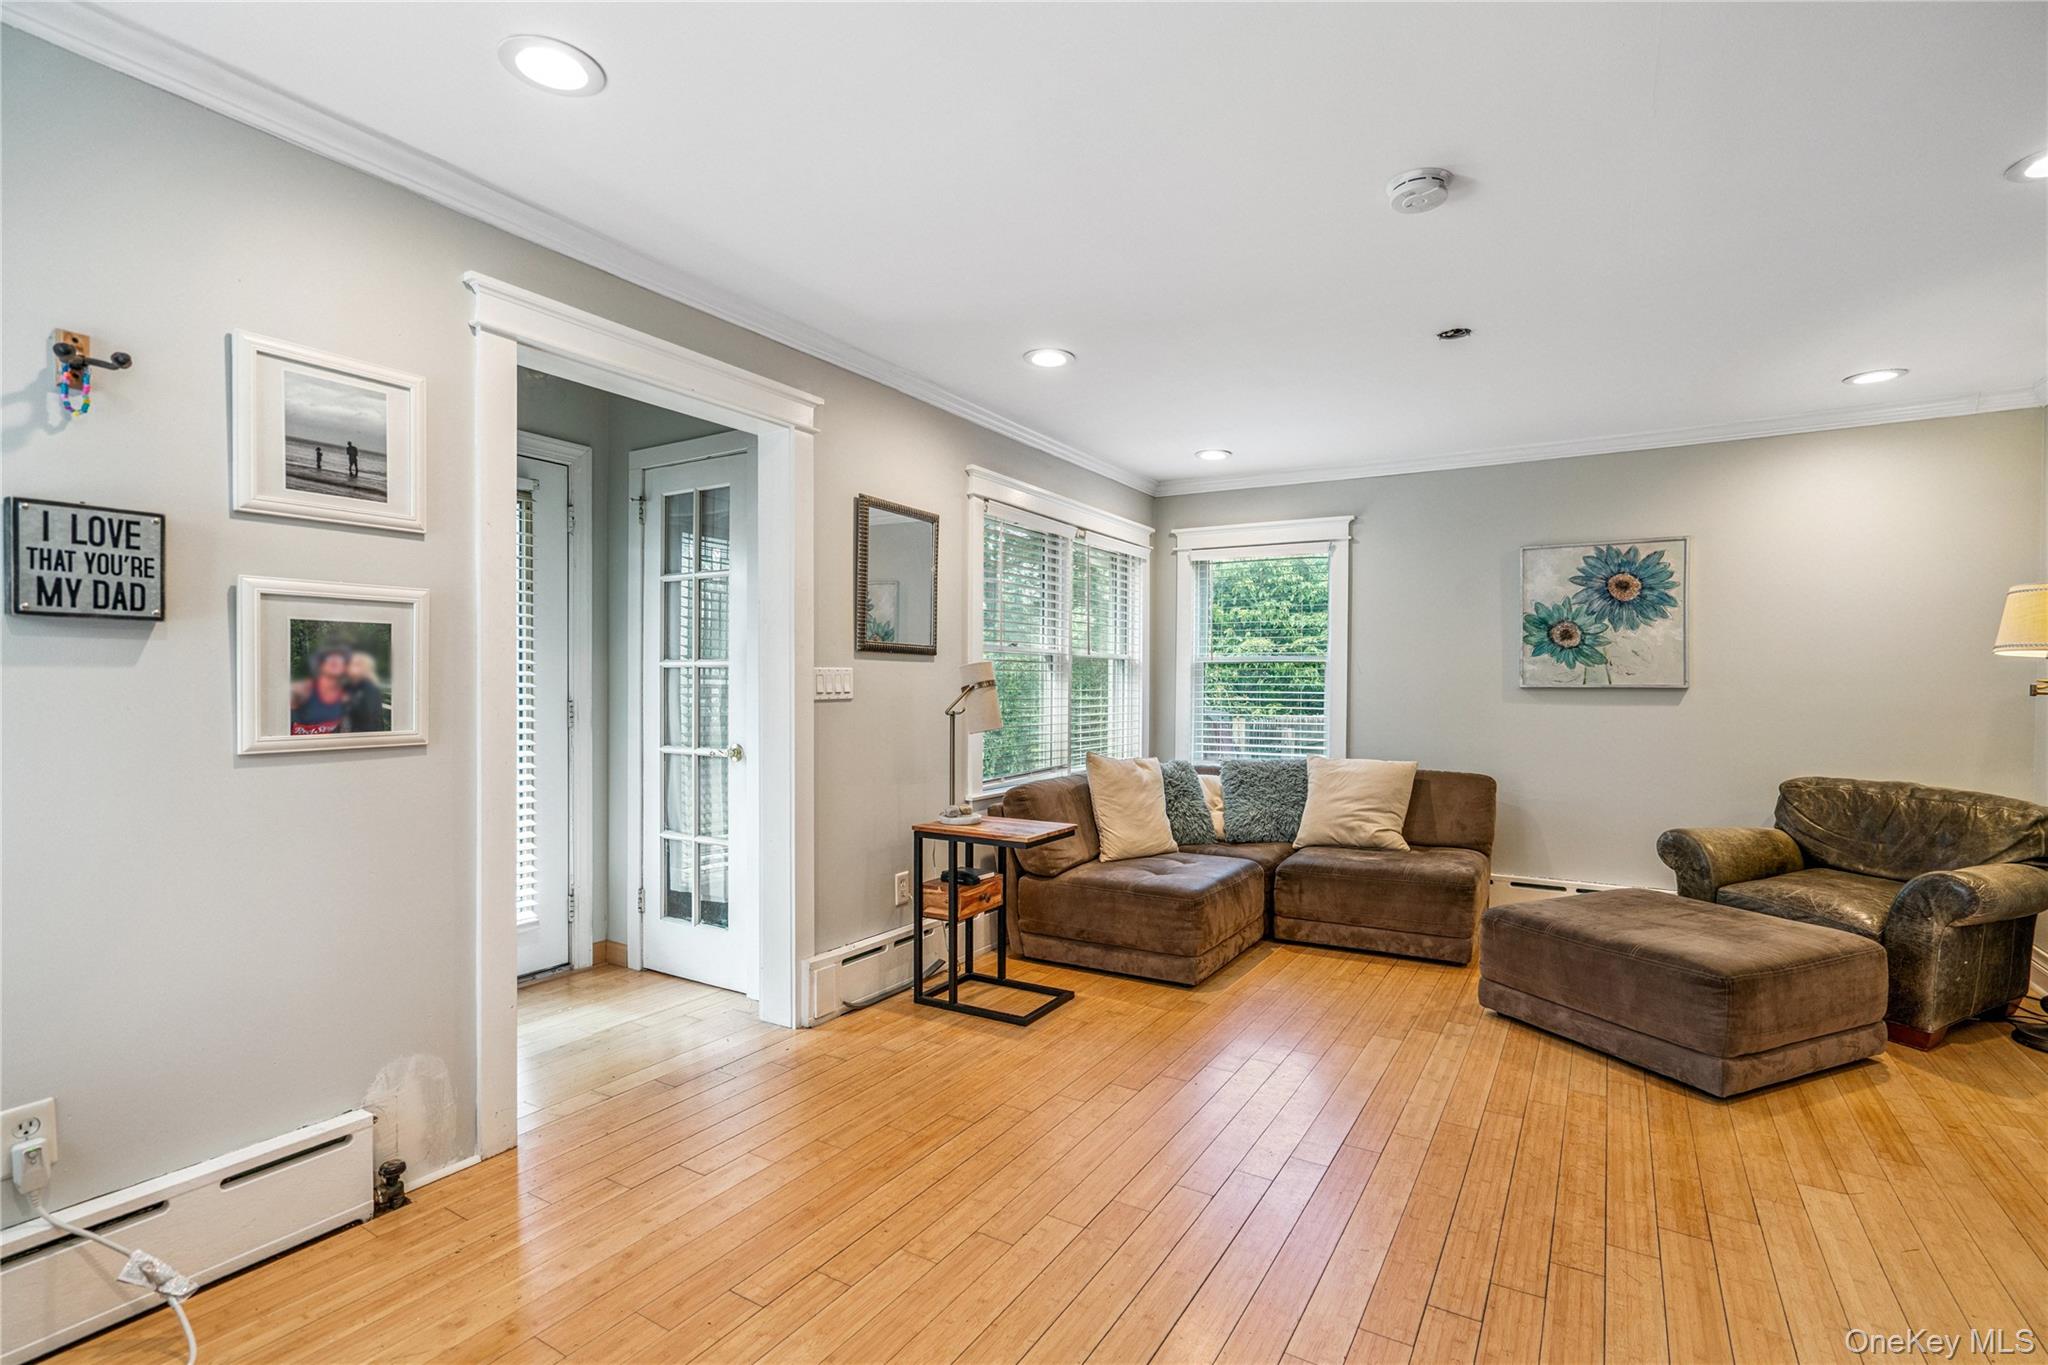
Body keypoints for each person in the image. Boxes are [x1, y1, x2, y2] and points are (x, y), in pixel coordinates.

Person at [290, 648, 354, 735]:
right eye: (331, 663)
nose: (334, 665)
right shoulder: (301, 690)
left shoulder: (346, 698)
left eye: (339, 663)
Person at [343, 650, 388, 733]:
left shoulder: (370, 688)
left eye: (354, 664)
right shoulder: (349, 686)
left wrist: (348, 701)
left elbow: (368, 716)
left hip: (366, 737)